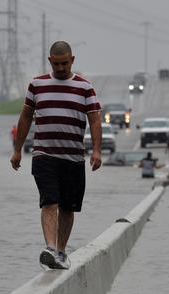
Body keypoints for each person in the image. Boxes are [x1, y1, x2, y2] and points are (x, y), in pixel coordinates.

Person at [10, 41, 102, 270]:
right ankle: (50, 248)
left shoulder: (85, 87)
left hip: (73, 158)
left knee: (68, 208)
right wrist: (17, 150)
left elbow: (95, 120)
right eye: (57, 64)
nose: (61, 68)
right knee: (49, 201)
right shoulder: (37, 84)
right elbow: (25, 117)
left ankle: (61, 251)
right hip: (44, 155)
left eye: (65, 63)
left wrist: (97, 151)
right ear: (50, 61)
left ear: (72, 60)